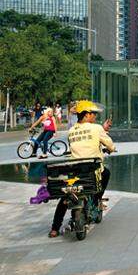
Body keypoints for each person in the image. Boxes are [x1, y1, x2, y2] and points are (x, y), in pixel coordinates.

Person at [48, 100, 116, 238]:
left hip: (75, 170)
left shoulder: (72, 130)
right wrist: (111, 148)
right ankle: (97, 200)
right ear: (86, 115)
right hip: (92, 169)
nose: (95, 117)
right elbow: (108, 143)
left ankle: (55, 228)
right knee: (106, 173)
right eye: (93, 114)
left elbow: (83, 139)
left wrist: (102, 129)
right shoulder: (96, 128)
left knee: (66, 196)